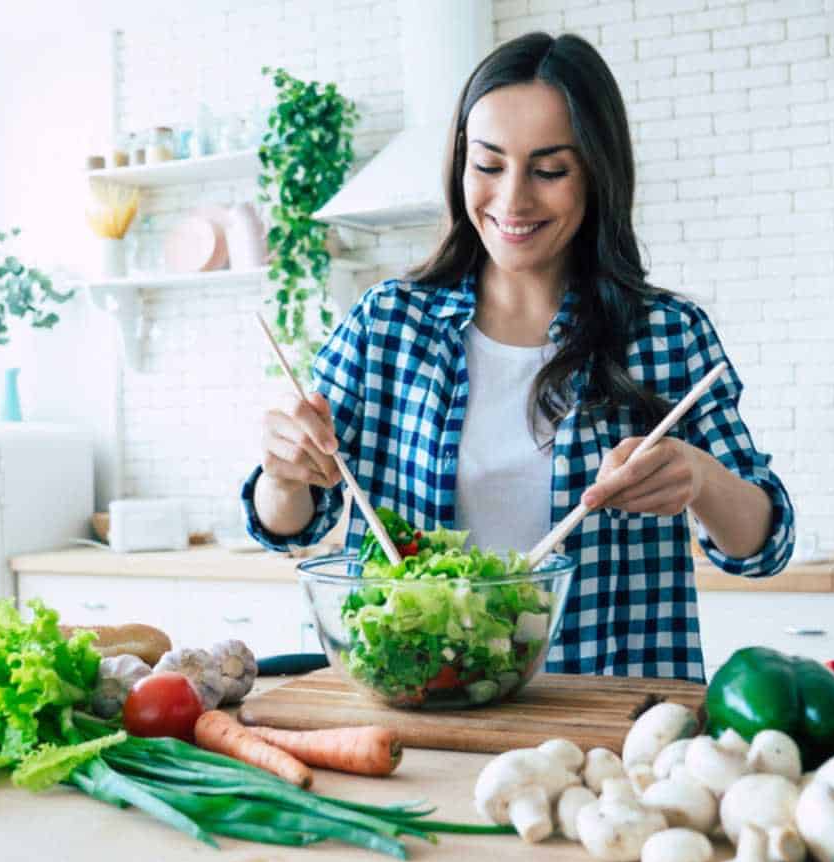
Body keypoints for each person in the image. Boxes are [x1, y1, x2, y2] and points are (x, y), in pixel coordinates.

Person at [241, 32, 794, 682]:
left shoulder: (668, 335)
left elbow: (765, 546)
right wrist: (283, 475)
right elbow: (293, 529)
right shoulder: (386, 324)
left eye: (550, 170)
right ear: (460, 166)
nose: (512, 200)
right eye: (489, 165)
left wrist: (700, 479)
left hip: (607, 723)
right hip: (422, 713)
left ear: (597, 173)